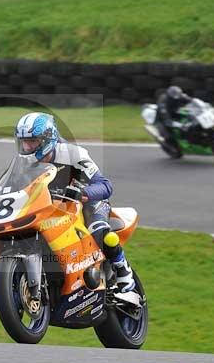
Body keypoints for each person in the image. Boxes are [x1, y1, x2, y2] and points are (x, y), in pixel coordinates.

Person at [14, 112, 135, 292]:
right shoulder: (23, 162)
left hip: (87, 202)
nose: (26, 146)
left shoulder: (72, 153)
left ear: (47, 139)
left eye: (32, 141)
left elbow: (105, 185)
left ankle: (122, 269)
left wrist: (83, 193)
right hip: (54, 207)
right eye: (23, 141)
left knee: (99, 230)